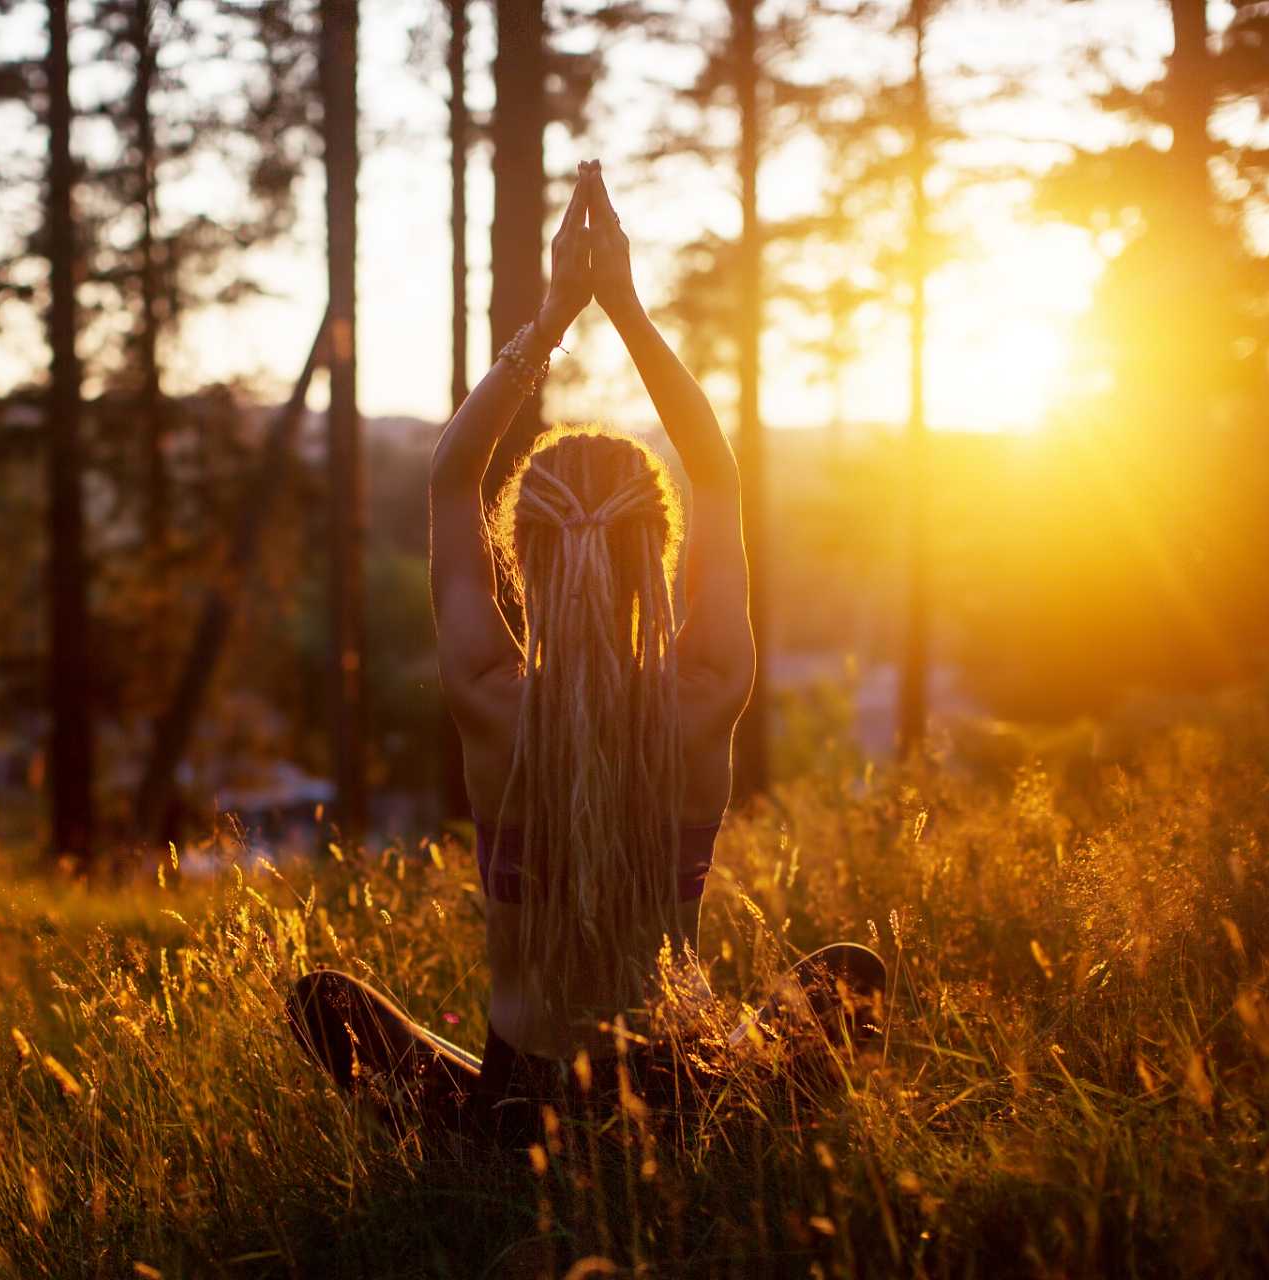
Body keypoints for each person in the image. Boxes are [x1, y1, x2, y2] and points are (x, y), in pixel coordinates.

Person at [285, 162, 884, 1140]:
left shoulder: (489, 695)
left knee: (326, 999)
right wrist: (630, 312)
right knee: (847, 974)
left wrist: (555, 316)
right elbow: (721, 478)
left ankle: (471, 1134)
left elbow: (448, 481)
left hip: (526, 1109)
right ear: (660, 552)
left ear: (521, 554)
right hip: (678, 1100)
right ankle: (739, 1134)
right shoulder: (704, 694)